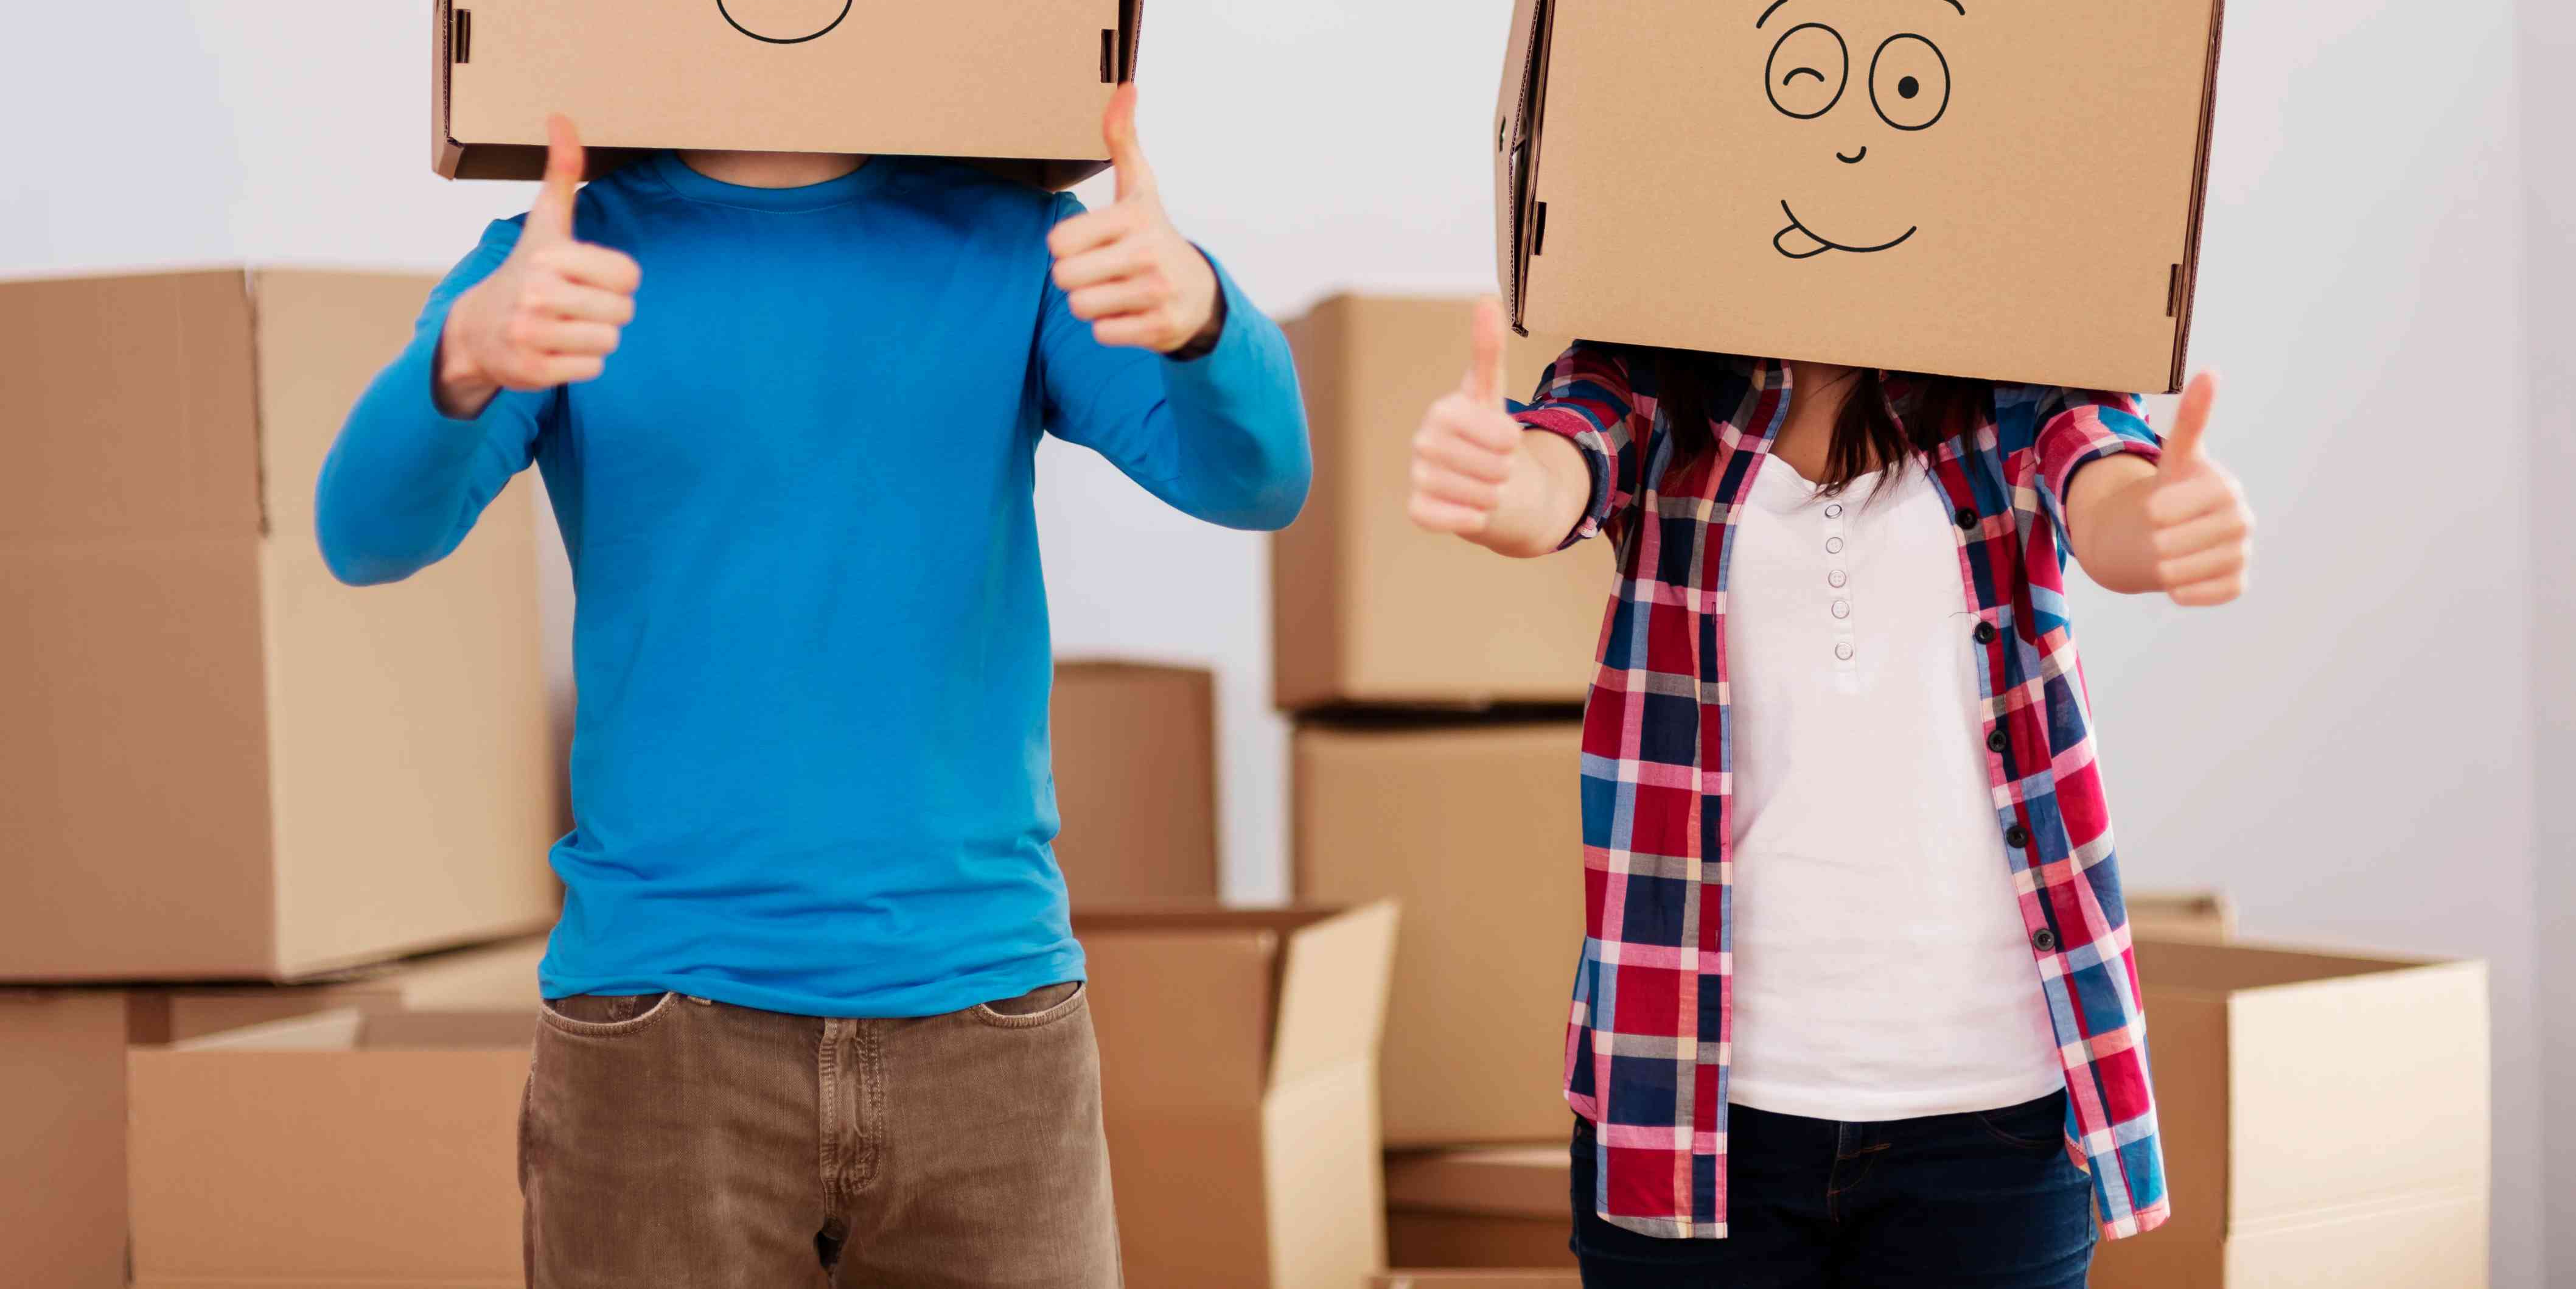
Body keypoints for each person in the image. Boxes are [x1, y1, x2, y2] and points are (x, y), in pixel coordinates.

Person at [315, 90, 1308, 1289]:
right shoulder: (563, 256)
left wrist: (1202, 314)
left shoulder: (1013, 239)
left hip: (987, 1018)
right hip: (661, 1024)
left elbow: (1255, 480)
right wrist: (462, 357)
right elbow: (363, 534)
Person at [1405, 301, 2253, 1288]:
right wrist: (1499, 477)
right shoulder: (1642, 378)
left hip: (1990, 1117)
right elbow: (1554, 475)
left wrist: (2163, 522)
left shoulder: (2028, 382)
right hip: (1694, 1105)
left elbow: (2107, 496)